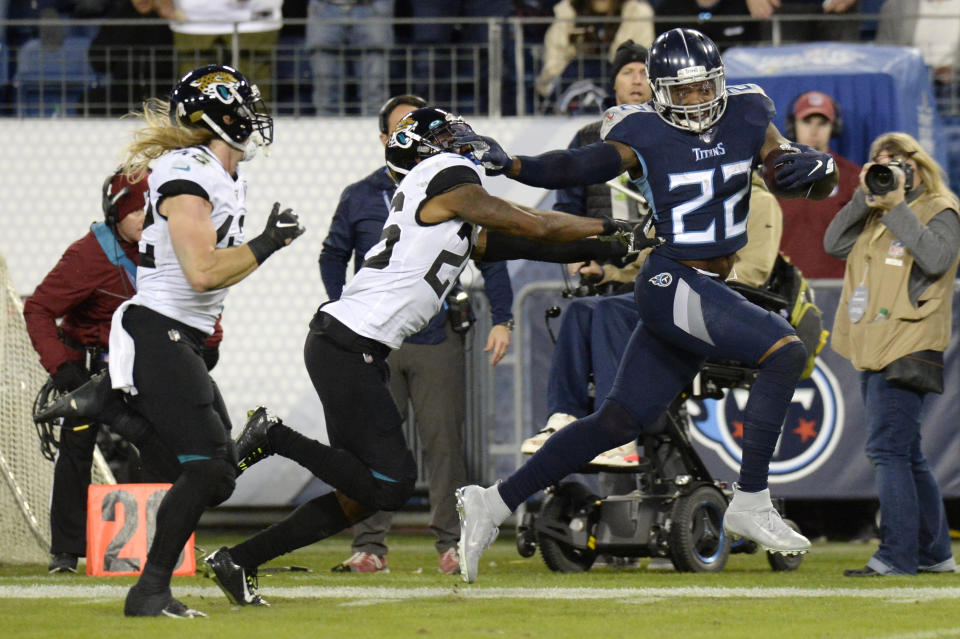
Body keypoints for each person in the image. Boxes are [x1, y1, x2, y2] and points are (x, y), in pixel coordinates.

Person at [198, 106, 647, 606]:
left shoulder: (442, 201)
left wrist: (615, 244)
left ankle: (239, 560)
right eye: (451, 134)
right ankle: (273, 434)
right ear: (434, 150)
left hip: (346, 343)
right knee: (391, 483)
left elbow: (526, 243)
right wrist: (608, 224)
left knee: (361, 495)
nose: (464, 139)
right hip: (349, 345)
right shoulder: (446, 176)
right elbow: (534, 223)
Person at [452, 27, 840, 582]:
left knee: (617, 420)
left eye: (703, 87)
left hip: (704, 285)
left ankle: (491, 503)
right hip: (672, 279)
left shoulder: (750, 111)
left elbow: (784, 167)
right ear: (658, 92)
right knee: (784, 351)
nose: (694, 101)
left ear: (720, 82)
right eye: (680, 92)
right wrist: (512, 164)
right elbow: (576, 167)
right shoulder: (641, 131)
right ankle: (751, 500)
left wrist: (813, 171)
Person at [36, 63, 304, 617]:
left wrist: (258, 248)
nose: (255, 114)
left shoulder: (222, 172)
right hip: (158, 328)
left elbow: (209, 276)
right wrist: (268, 243)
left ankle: (110, 405)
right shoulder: (188, 171)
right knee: (207, 469)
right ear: (219, 114)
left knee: (220, 477)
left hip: (180, 334)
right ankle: (150, 589)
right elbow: (202, 271)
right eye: (244, 104)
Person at [319, 94, 514, 574]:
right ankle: (369, 546)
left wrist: (504, 317)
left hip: (432, 335)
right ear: (386, 139)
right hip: (373, 340)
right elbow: (332, 254)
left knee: (443, 442)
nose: (413, 132)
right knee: (372, 448)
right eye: (401, 125)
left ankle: (451, 541)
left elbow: (491, 248)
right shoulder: (361, 194)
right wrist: (347, 305)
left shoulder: (452, 184)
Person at [24, 170, 192, 574]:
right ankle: (65, 552)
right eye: (139, 211)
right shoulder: (89, 254)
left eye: (155, 209)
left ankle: (156, 544)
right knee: (76, 453)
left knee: (158, 450)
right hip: (90, 372)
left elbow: (199, 295)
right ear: (116, 214)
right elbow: (39, 308)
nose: (149, 219)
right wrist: (62, 368)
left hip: (146, 367)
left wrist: (209, 345)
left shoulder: (173, 244)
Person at [824, 132, 960, 576]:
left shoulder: (941, 208)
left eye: (899, 162)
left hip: (908, 341)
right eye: (881, 162)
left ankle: (897, 556)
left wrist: (898, 205)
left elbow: (937, 259)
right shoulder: (874, 213)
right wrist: (866, 198)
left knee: (888, 451)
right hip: (872, 341)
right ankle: (936, 553)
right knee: (907, 452)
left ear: (918, 166)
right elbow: (833, 244)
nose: (891, 169)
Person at [777, 90, 860, 278]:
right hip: (785, 287)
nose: (814, 131)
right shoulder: (773, 174)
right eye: (807, 122)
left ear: (834, 127)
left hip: (838, 286)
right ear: (793, 126)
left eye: (822, 123)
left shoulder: (852, 176)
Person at [167, 0, 283, 103]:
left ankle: (251, 125)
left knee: (254, 94)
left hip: (256, 16)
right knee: (193, 92)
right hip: (192, 17)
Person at [536, 0, 654, 101]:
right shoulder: (567, 11)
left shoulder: (638, 13)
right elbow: (553, 65)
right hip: (571, 84)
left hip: (619, 90)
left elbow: (641, 65)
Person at [306, 0, 395, 115]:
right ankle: (328, 132)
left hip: (373, 7)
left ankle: (374, 132)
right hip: (324, 7)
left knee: (374, 94)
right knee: (326, 94)